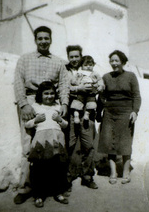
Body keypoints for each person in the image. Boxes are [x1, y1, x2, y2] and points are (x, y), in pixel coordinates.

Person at [13, 26, 69, 204]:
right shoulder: (25, 59)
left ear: (51, 40)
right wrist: (24, 105)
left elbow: (64, 84)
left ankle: (54, 187)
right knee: (28, 148)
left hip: (51, 104)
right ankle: (26, 188)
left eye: (46, 38)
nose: (43, 41)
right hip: (30, 103)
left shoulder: (59, 62)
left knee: (53, 149)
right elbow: (18, 83)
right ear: (35, 40)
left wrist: (65, 104)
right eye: (40, 38)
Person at [98, 50, 141, 184]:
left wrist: (135, 111)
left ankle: (126, 172)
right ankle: (113, 172)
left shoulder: (131, 76)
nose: (114, 63)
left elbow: (136, 96)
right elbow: (102, 97)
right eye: (112, 61)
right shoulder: (105, 77)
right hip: (109, 113)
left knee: (125, 143)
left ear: (122, 62)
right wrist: (99, 112)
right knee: (109, 142)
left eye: (117, 60)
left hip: (126, 113)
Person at [26, 81, 69, 207]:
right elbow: (27, 124)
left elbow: (65, 125)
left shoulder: (57, 106)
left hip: (56, 139)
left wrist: (60, 120)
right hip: (41, 139)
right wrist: (35, 120)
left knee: (57, 167)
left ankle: (58, 192)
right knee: (39, 167)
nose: (49, 96)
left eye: (51, 93)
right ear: (41, 94)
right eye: (46, 94)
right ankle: (39, 194)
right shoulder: (35, 106)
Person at [65, 45, 98, 189]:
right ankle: (69, 175)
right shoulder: (65, 70)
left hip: (88, 112)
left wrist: (95, 88)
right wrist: (79, 89)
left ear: (80, 56)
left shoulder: (89, 69)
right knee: (71, 143)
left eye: (76, 56)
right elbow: (63, 87)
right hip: (72, 111)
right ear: (68, 57)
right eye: (71, 56)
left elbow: (97, 86)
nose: (74, 59)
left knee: (88, 144)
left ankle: (87, 175)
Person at [70, 55, 104, 127]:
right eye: (85, 65)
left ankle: (87, 115)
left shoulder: (95, 74)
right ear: (81, 66)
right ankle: (76, 116)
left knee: (91, 103)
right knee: (77, 103)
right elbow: (73, 81)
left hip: (91, 93)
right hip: (81, 93)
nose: (88, 67)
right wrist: (78, 84)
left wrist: (100, 86)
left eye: (90, 65)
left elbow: (100, 81)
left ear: (93, 65)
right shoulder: (79, 73)